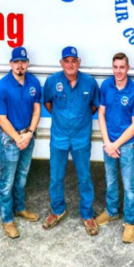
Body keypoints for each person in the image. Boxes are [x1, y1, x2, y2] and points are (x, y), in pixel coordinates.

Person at [43, 46, 100, 236]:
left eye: (74, 61)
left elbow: (94, 106)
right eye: (66, 61)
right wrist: (63, 120)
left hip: (81, 138)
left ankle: (87, 214)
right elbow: (48, 104)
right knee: (56, 176)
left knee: (84, 177)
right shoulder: (52, 81)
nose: (70, 64)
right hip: (59, 137)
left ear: (79, 62)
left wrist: (78, 121)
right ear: (61, 63)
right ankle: (58, 210)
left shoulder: (90, 83)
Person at [0, 46, 43, 239]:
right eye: (16, 62)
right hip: (10, 139)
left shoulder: (33, 82)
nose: (20, 65)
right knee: (7, 181)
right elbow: (1, 119)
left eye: (23, 62)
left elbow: (37, 110)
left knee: (22, 176)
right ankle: (7, 219)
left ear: (27, 63)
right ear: (10, 64)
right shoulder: (2, 86)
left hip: (27, 136)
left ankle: (20, 208)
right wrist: (18, 138)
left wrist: (29, 133)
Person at [97, 53, 134, 243]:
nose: (118, 71)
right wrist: (107, 142)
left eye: (122, 67)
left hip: (126, 145)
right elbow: (101, 115)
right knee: (110, 180)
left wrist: (115, 145)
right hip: (109, 143)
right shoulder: (106, 86)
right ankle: (111, 211)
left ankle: (130, 222)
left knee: (129, 185)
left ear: (128, 68)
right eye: (115, 67)